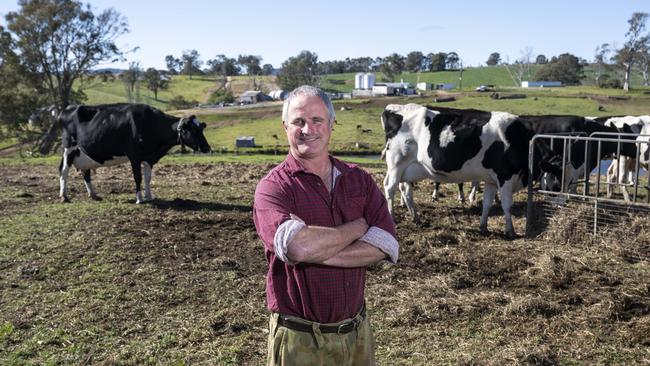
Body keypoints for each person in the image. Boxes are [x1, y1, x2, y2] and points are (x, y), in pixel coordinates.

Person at [253, 85, 399, 365]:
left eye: (317, 120)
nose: (308, 129)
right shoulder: (273, 188)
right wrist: (357, 229)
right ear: (285, 126)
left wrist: (313, 248)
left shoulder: (359, 179)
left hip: (357, 335)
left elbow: (387, 244)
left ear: (332, 124)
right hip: (300, 340)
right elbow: (297, 247)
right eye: (298, 121)